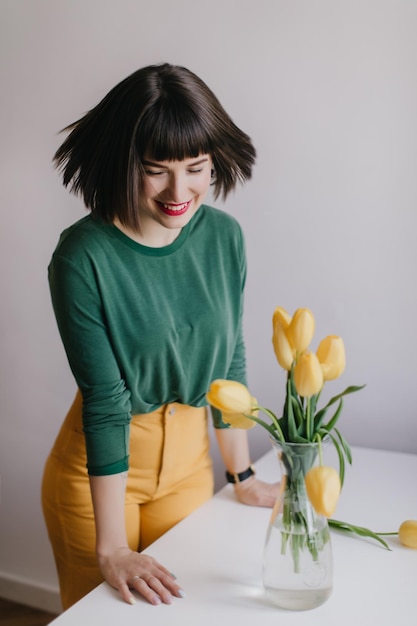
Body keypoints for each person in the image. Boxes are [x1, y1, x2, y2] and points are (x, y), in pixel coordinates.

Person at [41, 62, 278, 611]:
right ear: (124, 164)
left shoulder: (224, 237)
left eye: (196, 168)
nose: (180, 191)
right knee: (101, 617)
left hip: (190, 468)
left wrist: (241, 474)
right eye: (156, 170)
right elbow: (105, 402)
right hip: (96, 477)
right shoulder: (82, 257)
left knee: (188, 613)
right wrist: (112, 547)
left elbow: (230, 362)